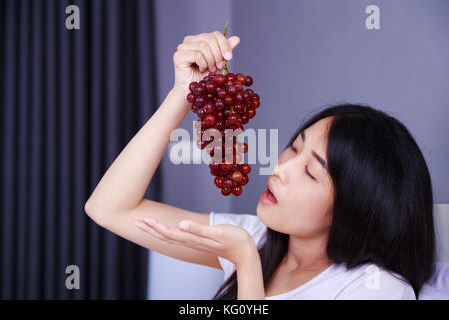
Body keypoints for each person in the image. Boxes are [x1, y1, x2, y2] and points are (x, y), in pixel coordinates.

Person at [84, 31, 436, 300]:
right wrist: (183, 92)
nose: (279, 169)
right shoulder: (257, 236)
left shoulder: (376, 289)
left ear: (355, 207)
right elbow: (108, 208)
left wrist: (246, 263)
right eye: (292, 149)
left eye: (311, 172)